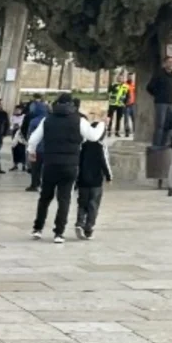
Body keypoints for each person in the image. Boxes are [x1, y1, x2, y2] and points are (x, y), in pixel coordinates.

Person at [27, 92, 104, 242]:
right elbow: (93, 137)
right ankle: (59, 233)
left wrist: (31, 151)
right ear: (73, 105)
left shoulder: (47, 120)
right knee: (64, 199)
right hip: (70, 165)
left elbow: (34, 138)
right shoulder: (79, 120)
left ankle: (38, 228)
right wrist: (101, 123)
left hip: (50, 163)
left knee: (45, 197)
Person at [74, 120, 112, 240]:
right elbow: (104, 162)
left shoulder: (82, 146)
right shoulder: (101, 147)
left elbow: (77, 164)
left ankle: (80, 223)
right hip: (96, 181)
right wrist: (109, 176)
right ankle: (88, 228)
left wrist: (75, 179)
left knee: (82, 203)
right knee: (93, 205)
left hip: (82, 180)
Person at [148, 57, 172, 146]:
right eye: (169, 62)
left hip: (170, 102)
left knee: (168, 125)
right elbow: (149, 87)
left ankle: (165, 144)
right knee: (160, 124)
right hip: (161, 102)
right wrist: (158, 94)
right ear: (165, 64)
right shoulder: (159, 74)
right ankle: (156, 145)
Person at [22, 95, 49, 191]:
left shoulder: (34, 121)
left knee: (35, 168)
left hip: (36, 149)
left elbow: (30, 135)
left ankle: (35, 184)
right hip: (48, 148)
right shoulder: (50, 119)